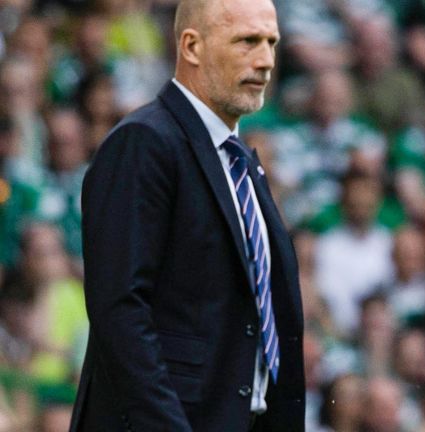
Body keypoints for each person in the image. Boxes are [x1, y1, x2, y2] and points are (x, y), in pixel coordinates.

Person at [69, 0, 305, 431]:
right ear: (192, 47)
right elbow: (119, 309)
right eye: (247, 41)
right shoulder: (144, 142)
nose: (267, 60)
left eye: (271, 42)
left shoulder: (238, 162)